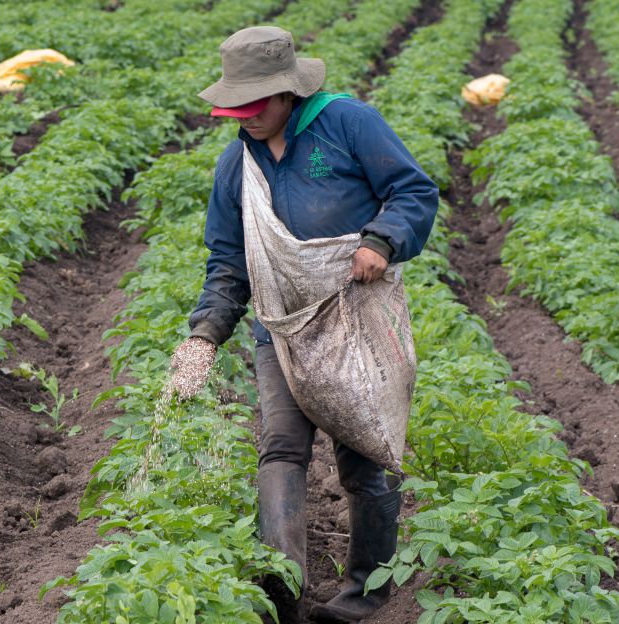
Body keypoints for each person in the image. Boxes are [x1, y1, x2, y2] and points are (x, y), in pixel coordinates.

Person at [167, 26, 439, 623]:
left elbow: (413, 192)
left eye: (256, 105)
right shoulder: (237, 165)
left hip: (356, 319)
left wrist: (382, 240)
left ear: (288, 93)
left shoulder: (348, 126)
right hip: (282, 329)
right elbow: (229, 261)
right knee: (282, 450)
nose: (246, 118)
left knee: (364, 453)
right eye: (235, 109)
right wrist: (205, 333)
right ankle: (280, 595)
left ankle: (364, 598)